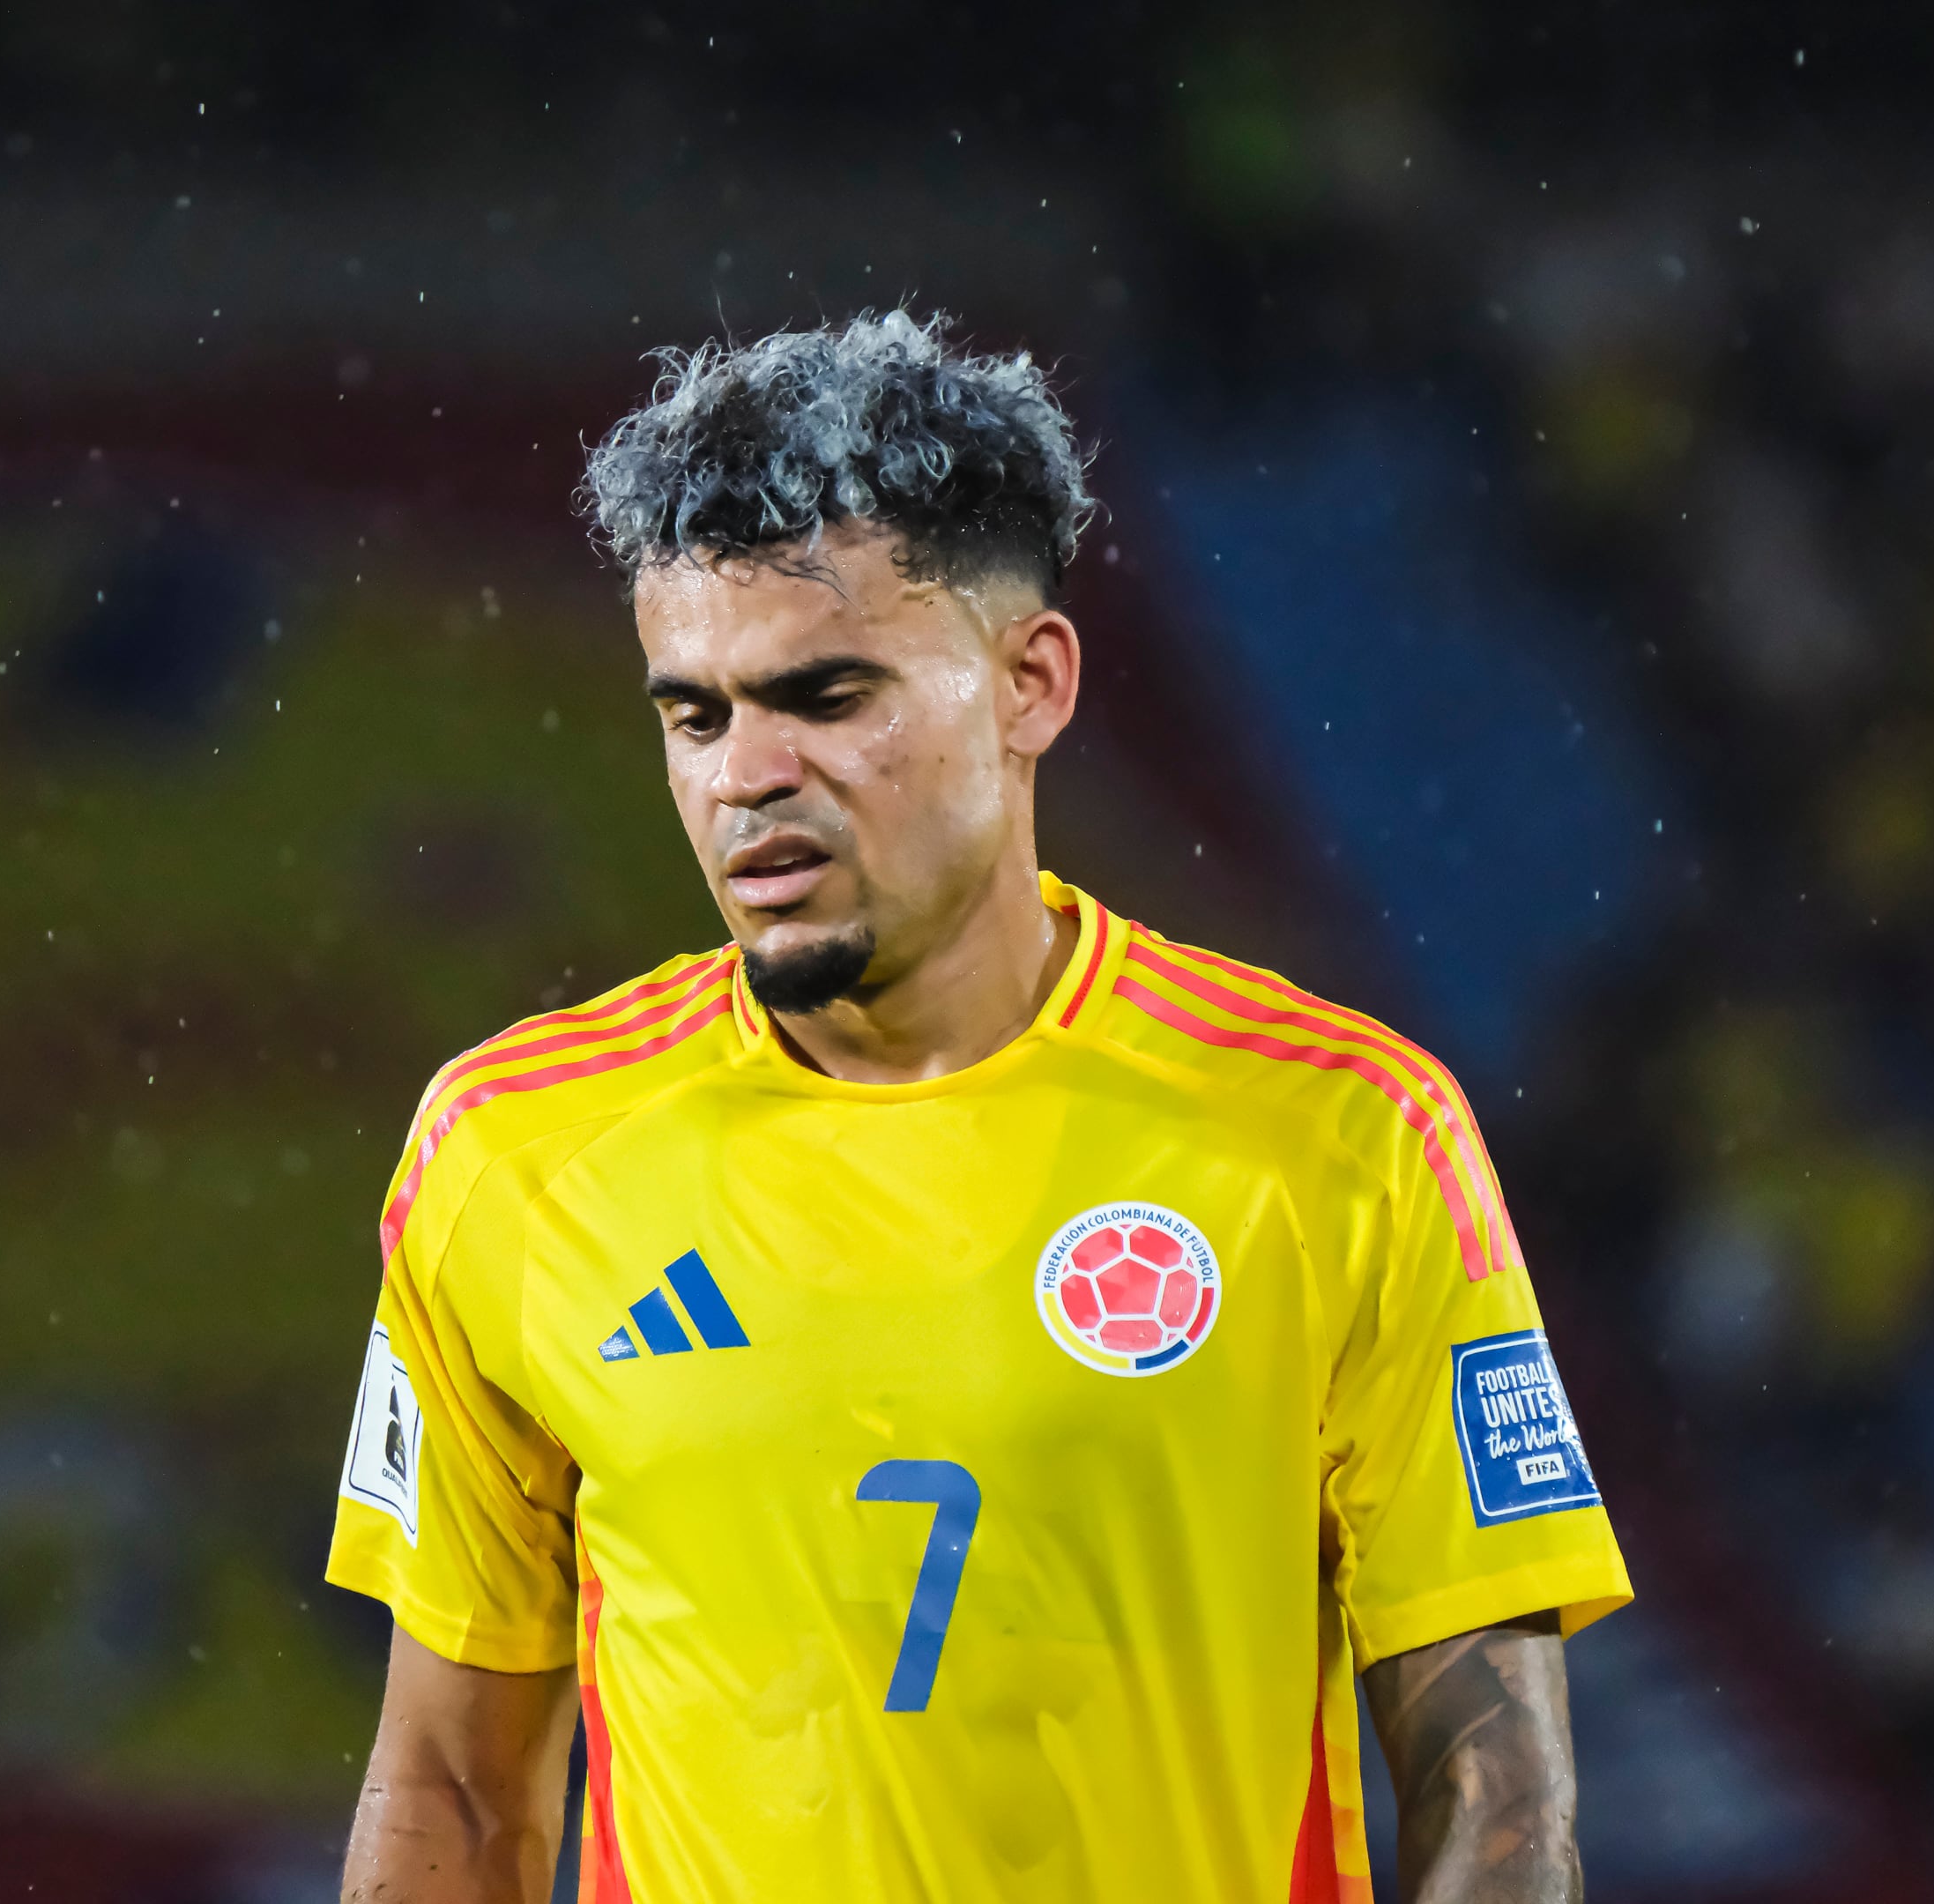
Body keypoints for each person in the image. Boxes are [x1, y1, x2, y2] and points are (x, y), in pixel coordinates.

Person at [328, 310, 1630, 1902]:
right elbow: (454, 1788)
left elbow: (1493, 1786)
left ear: (1032, 684)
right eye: (698, 713)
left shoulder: (1338, 1132)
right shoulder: (512, 1152)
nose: (748, 776)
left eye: (826, 692)